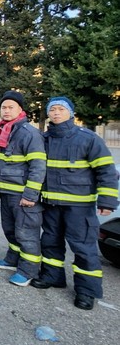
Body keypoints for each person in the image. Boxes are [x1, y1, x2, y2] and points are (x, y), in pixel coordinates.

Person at [34, 97, 118, 310]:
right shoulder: (43, 139)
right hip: (51, 203)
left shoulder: (88, 138)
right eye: (52, 109)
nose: (56, 113)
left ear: (71, 113)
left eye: (61, 109)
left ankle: (86, 291)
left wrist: (107, 200)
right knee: (51, 242)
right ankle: (53, 276)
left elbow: (106, 170)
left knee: (83, 247)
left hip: (79, 206)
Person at [0, 91, 46, 287]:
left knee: (26, 233)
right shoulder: (4, 130)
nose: (6, 111)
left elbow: (38, 166)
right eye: (3, 107)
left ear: (20, 110)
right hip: (6, 192)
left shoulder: (29, 133)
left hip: (22, 194)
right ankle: (12, 259)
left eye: (10, 107)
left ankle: (28, 271)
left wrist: (30, 194)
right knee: (10, 229)